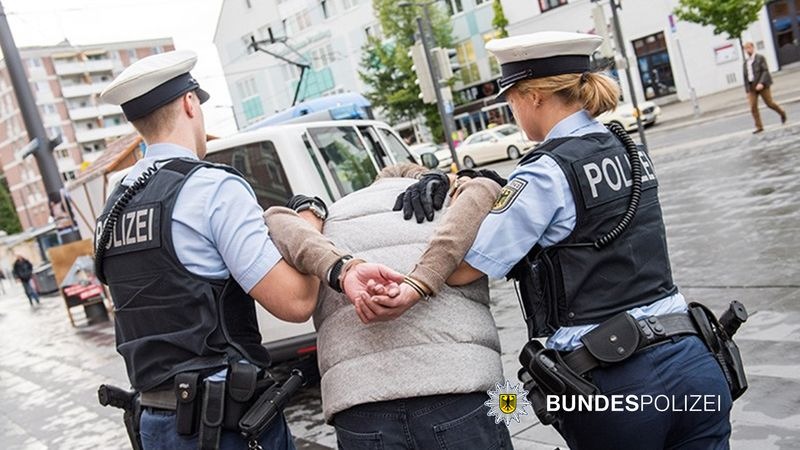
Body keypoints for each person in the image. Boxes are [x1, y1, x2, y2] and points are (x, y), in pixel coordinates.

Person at [385, 32, 733, 449]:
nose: (512, 111)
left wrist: (467, 199)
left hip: (616, 385)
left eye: (510, 99)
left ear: (532, 96)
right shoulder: (631, 150)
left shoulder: (543, 172)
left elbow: (463, 270)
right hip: (694, 362)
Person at [95, 50, 403, 450]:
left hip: (154, 423)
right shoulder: (211, 188)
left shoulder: (114, 208)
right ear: (190, 103)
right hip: (220, 426)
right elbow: (295, 303)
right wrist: (308, 222)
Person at [262, 164, 512, 449]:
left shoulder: (326, 223)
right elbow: (486, 188)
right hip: (460, 386)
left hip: (359, 403)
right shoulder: (453, 202)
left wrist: (309, 211)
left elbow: (274, 219)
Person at [743, 41, 787, 134]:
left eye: (749, 48)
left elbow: (765, 71)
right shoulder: (746, 62)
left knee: (769, 103)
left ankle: (782, 113)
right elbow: (745, 76)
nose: (748, 50)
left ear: (753, 47)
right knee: (753, 107)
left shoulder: (760, 58)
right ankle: (759, 126)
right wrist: (747, 89)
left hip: (762, 85)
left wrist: (761, 83)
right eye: (746, 48)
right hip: (752, 87)